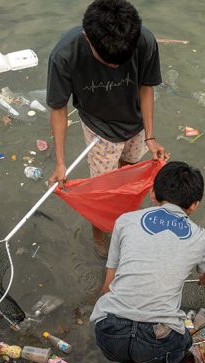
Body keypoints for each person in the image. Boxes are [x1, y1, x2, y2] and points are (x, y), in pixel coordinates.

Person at [47, 0, 168, 258]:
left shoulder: (144, 41)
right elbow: (58, 108)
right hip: (99, 129)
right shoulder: (64, 55)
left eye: (120, 62)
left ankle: (123, 218)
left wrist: (151, 135)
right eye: (108, 62)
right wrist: (60, 162)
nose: (114, 67)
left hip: (136, 125)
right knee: (101, 190)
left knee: (128, 172)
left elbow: (147, 86)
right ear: (87, 39)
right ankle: (99, 231)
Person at [90, 161, 205, 363]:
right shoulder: (200, 237)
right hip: (157, 341)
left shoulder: (125, 221)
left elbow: (107, 287)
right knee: (180, 348)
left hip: (108, 333)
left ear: (152, 193)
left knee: (128, 349)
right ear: (194, 205)